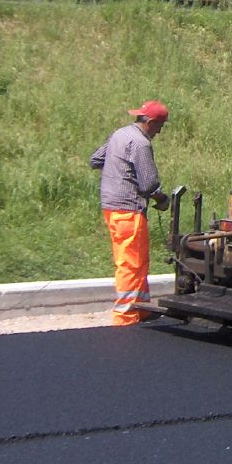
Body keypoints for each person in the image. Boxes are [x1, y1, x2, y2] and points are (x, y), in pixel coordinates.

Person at [89, 100, 170, 326]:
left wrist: (118, 168)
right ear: (151, 122)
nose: (160, 131)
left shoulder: (120, 134)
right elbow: (148, 184)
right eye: (160, 126)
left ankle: (141, 306)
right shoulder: (141, 143)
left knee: (139, 259)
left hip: (111, 206)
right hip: (128, 209)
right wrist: (162, 200)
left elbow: (95, 160)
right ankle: (125, 315)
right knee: (130, 263)